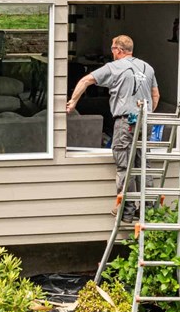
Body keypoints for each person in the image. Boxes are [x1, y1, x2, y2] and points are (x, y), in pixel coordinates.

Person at [65, 35, 160, 221]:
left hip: (126, 122)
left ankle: (126, 210)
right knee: (143, 165)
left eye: (113, 49)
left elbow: (86, 81)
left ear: (118, 50)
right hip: (145, 121)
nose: (112, 53)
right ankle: (149, 209)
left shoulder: (114, 67)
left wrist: (73, 102)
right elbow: (155, 95)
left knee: (125, 165)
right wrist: (146, 114)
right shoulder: (148, 68)